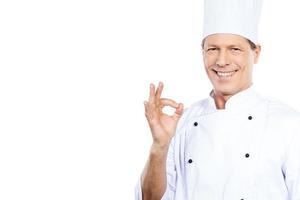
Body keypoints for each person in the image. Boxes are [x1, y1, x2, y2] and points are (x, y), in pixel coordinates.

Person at [135, 0, 300, 199]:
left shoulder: (288, 124)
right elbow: (149, 198)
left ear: (256, 53)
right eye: (213, 49)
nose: (222, 61)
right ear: (202, 52)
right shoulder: (182, 123)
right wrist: (160, 145)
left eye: (234, 49)